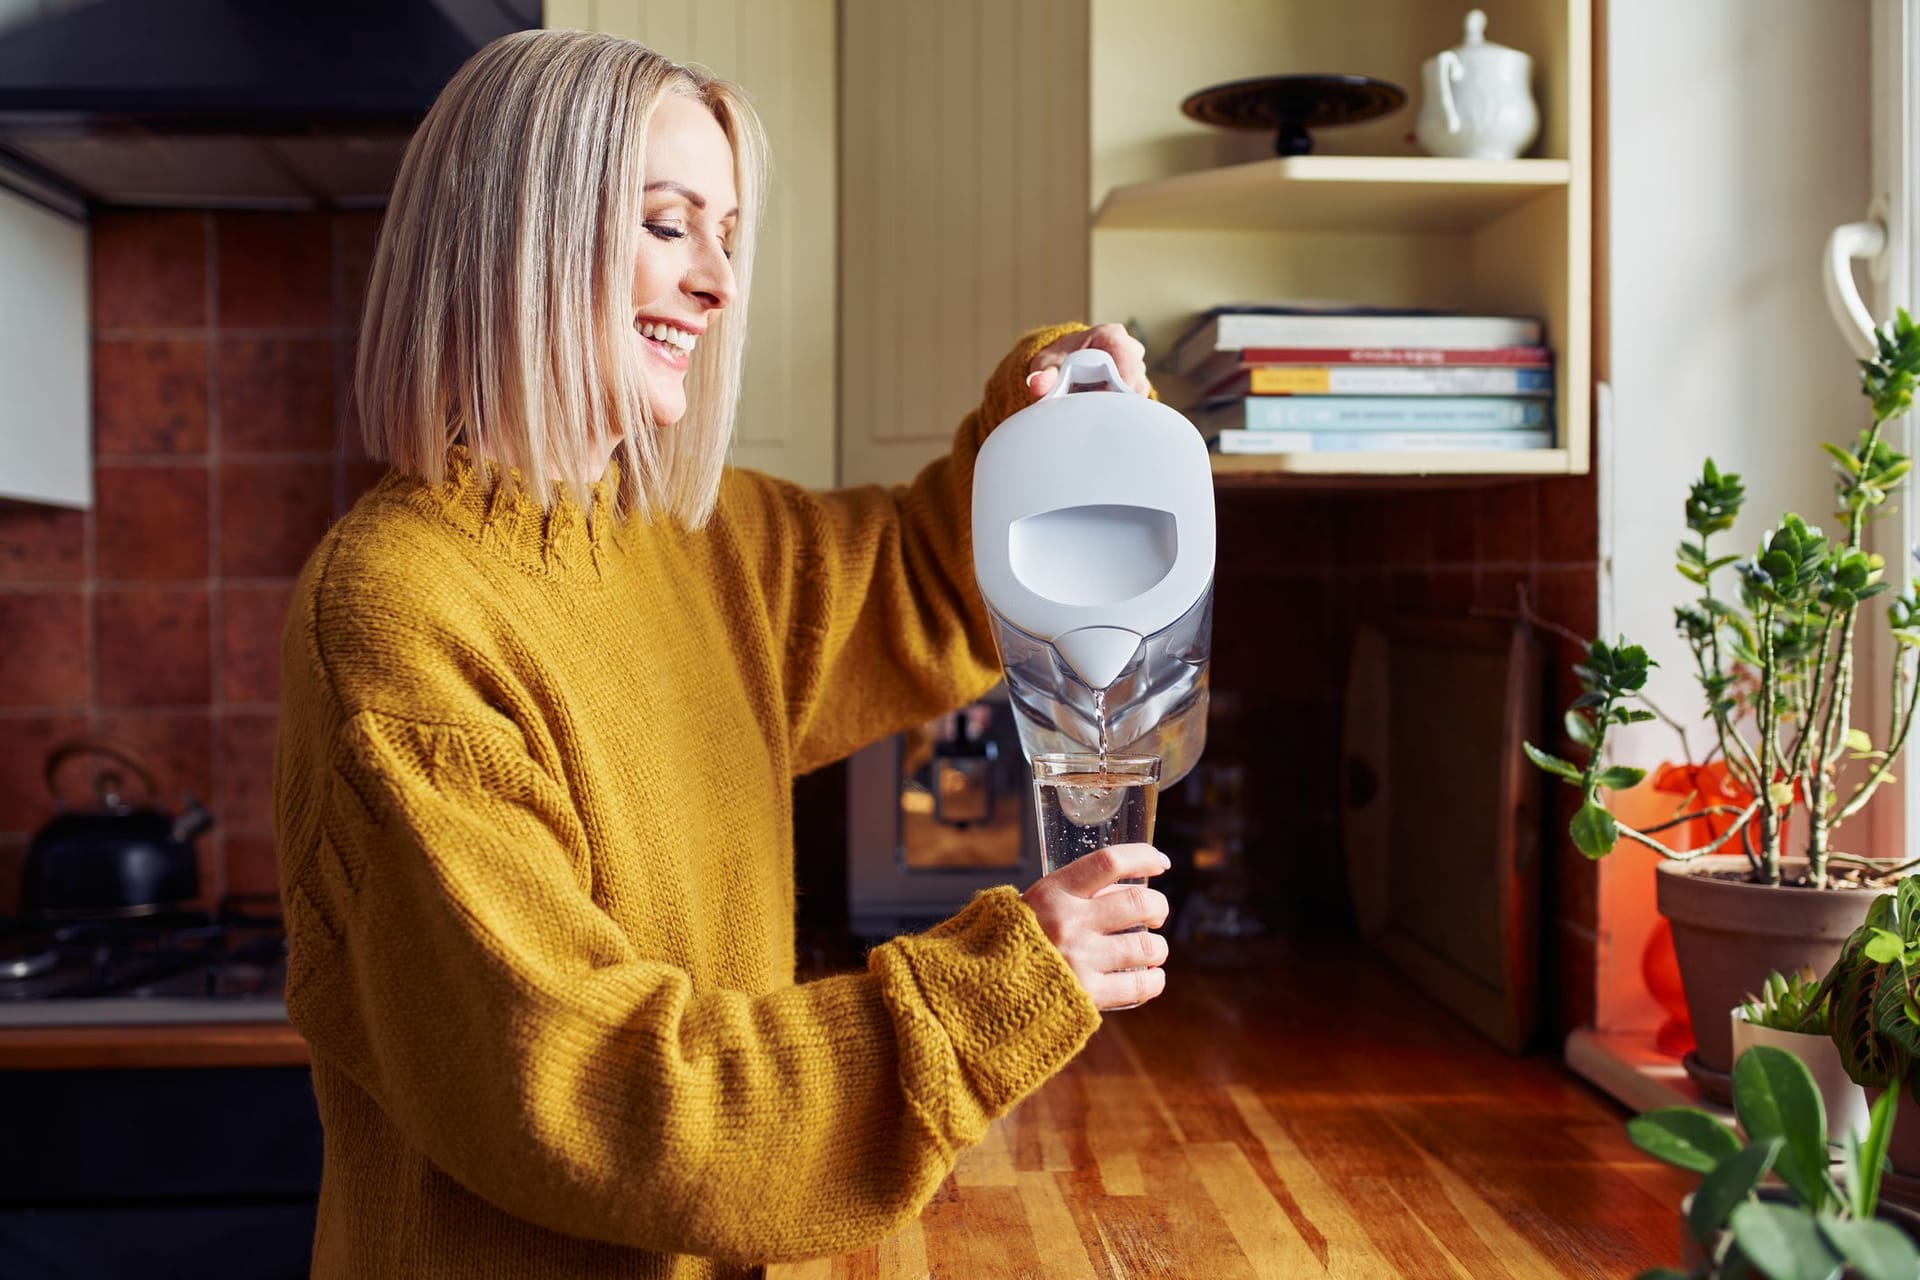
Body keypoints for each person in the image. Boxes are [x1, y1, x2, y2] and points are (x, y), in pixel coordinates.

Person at [273, 27, 1169, 1280]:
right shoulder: (400, 616)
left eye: (728, 237)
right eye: (666, 224)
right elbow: (597, 1093)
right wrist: (988, 986)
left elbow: (930, 575)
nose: (717, 282)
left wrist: (1044, 417)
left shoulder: (701, 546)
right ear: (519, 233)